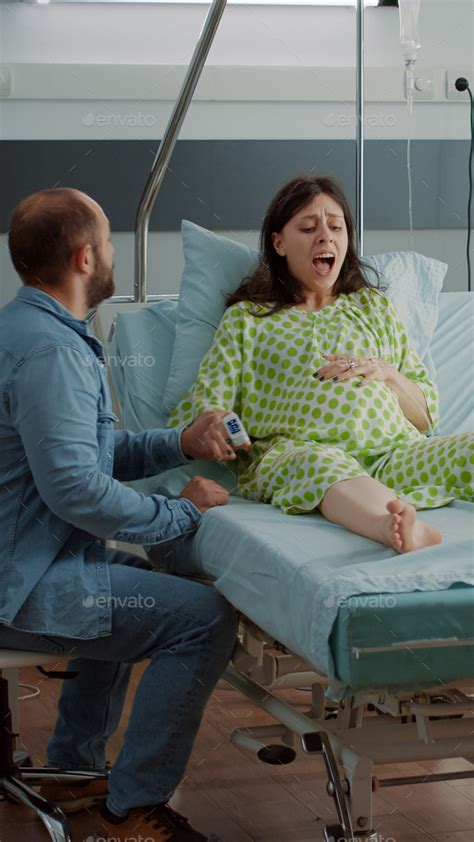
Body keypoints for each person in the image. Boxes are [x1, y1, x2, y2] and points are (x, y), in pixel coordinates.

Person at [0, 187, 238, 842]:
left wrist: (179, 443)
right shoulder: (53, 355)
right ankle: (131, 810)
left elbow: (90, 455)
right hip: (23, 584)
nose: (113, 252)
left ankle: (74, 770)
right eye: (108, 241)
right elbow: (77, 490)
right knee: (201, 619)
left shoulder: (32, 330)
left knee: (133, 584)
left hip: (36, 558)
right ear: (84, 258)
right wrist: (180, 512)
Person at [169, 175, 473, 553]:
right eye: (309, 227)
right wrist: (219, 428)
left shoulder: (373, 307)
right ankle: (390, 524)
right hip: (300, 452)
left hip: (395, 455)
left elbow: (426, 419)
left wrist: (386, 373)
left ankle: (394, 512)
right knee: (320, 463)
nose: (326, 237)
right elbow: (210, 405)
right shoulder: (248, 319)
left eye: (336, 226)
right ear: (278, 243)